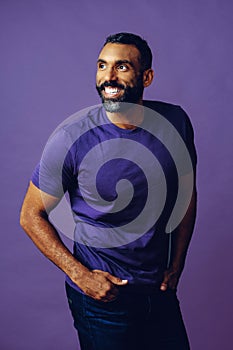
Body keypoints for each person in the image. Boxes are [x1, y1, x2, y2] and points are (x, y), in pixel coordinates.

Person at [20, 32, 197, 350]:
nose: (109, 76)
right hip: (103, 301)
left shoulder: (176, 122)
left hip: (159, 292)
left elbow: (187, 193)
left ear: (147, 77)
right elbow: (30, 215)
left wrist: (177, 265)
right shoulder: (71, 138)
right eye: (102, 65)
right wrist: (81, 276)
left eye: (122, 67)